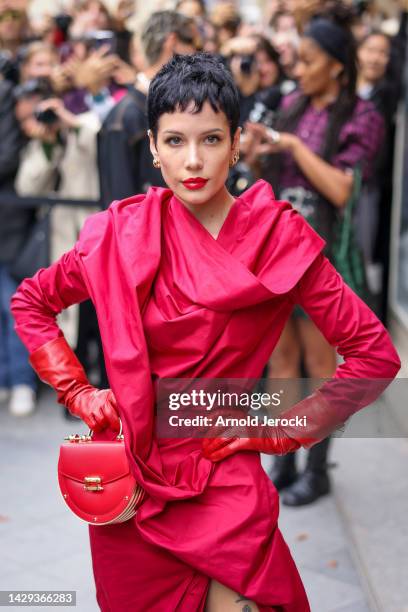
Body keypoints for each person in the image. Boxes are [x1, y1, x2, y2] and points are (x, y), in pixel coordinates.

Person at [11, 53, 400, 611]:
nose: (193, 160)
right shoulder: (120, 233)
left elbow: (374, 354)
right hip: (132, 480)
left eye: (211, 139)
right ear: (152, 145)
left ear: (237, 141)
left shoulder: (278, 238)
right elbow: (32, 302)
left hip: (223, 475)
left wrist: (288, 430)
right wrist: (78, 392)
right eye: (174, 141)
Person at [244, 6, 386, 506]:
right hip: (276, 253)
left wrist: (294, 147)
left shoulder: (363, 117)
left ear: (336, 66)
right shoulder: (291, 106)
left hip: (322, 260)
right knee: (281, 360)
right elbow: (270, 179)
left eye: (308, 61)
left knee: (320, 364)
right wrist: (261, 152)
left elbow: (344, 190)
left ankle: (318, 468)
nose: (298, 71)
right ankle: (283, 457)